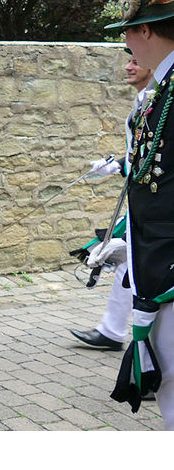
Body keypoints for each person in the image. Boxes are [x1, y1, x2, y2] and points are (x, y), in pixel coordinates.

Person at [104, 0, 174, 427]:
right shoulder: (162, 92)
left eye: (127, 32)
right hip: (157, 264)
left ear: (146, 31)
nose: (125, 42)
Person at [70, 51, 152, 351]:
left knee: (142, 269)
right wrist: (117, 165)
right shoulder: (143, 98)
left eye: (135, 61)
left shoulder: (156, 99)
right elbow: (140, 151)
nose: (129, 67)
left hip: (156, 204)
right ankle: (112, 330)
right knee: (127, 263)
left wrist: (123, 167)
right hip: (141, 198)